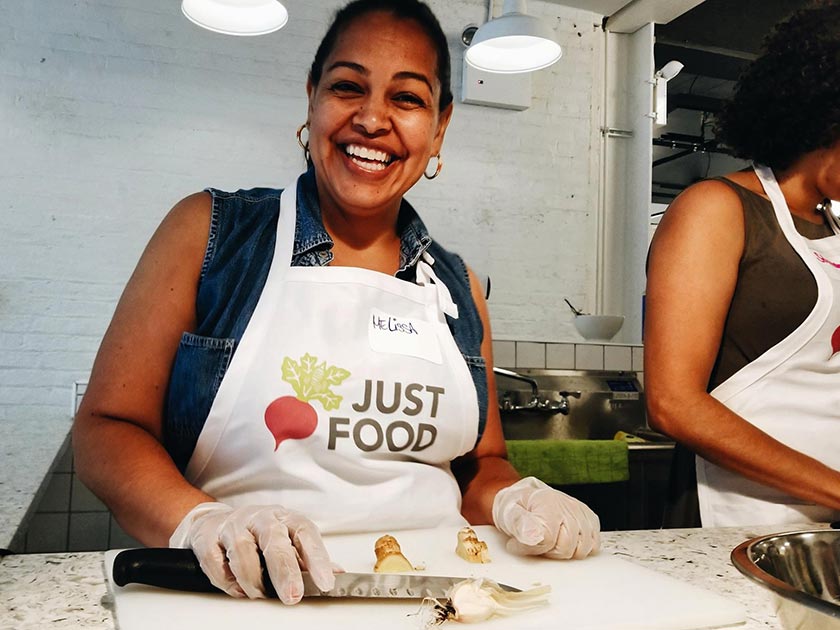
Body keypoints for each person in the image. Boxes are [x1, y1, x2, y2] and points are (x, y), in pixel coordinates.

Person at [72, 0, 599, 604]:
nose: (372, 119)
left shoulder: (460, 288)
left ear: (440, 124)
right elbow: (107, 430)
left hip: (439, 598)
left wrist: (514, 498)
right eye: (348, 86)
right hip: (247, 597)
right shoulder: (212, 234)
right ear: (312, 98)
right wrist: (200, 522)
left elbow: (481, 467)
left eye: (407, 98)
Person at [645, 1, 840, 528]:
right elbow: (672, 403)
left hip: (823, 524)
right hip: (733, 521)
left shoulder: (834, 228)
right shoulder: (716, 209)